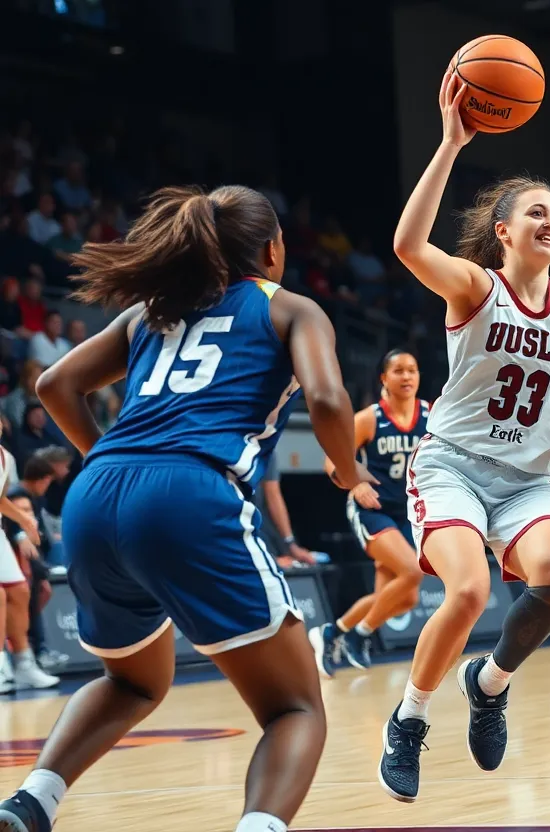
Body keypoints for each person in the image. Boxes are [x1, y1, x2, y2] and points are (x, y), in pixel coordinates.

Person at [0, 184, 371, 832]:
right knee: (295, 707)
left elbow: (55, 384)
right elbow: (331, 403)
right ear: (271, 249)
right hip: (191, 492)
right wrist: (346, 467)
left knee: (133, 682)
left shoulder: (152, 311)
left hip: (97, 493)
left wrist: (111, 461)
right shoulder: (290, 309)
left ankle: (31, 801)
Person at [377, 69, 550, 804]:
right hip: (454, 467)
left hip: (530, 478)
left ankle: (488, 684)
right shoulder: (475, 287)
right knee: (466, 592)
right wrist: (450, 143)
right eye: (535, 212)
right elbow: (406, 245)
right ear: (504, 232)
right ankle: (410, 718)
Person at [312, 349, 426, 676]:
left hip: (407, 513)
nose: (406, 377)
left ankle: (333, 632)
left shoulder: (431, 416)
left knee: (401, 599)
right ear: (384, 378)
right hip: (372, 509)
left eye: (412, 370)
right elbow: (333, 458)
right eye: (399, 371)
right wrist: (353, 482)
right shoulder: (369, 418)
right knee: (412, 571)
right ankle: (359, 635)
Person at [0, 429, 48, 694]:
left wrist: (23, 518)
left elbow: (0, 498)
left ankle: (24, 664)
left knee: (19, 591)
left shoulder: (6, 457)